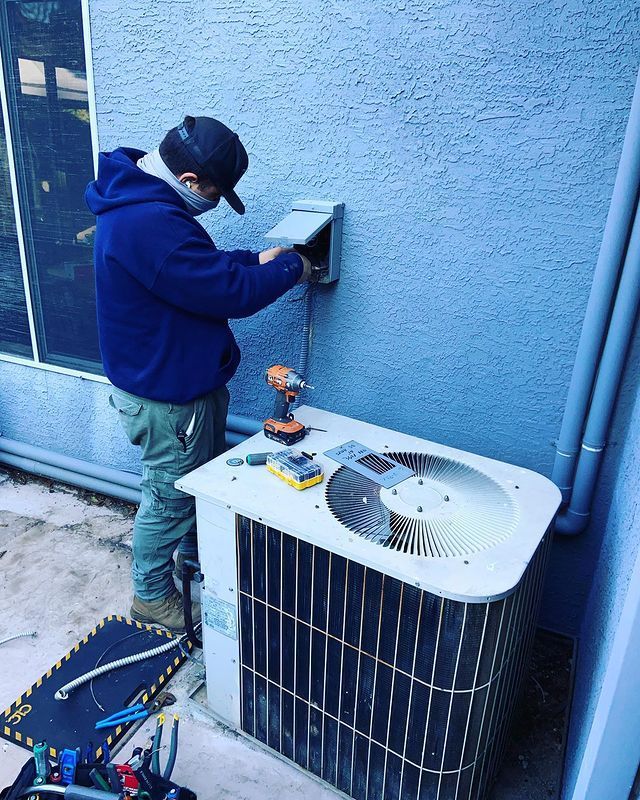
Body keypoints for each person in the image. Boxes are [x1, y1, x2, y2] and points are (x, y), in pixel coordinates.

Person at [85, 115, 311, 630]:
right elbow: (226, 291)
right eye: (215, 191)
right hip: (169, 400)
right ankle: (151, 598)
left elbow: (193, 268)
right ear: (189, 182)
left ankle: (194, 557)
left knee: (189, 487)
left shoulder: (142, 202)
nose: (214, 201)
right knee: (168, 498)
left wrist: (255, 257)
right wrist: (290, 267)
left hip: (172, 383)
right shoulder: (148, 222)